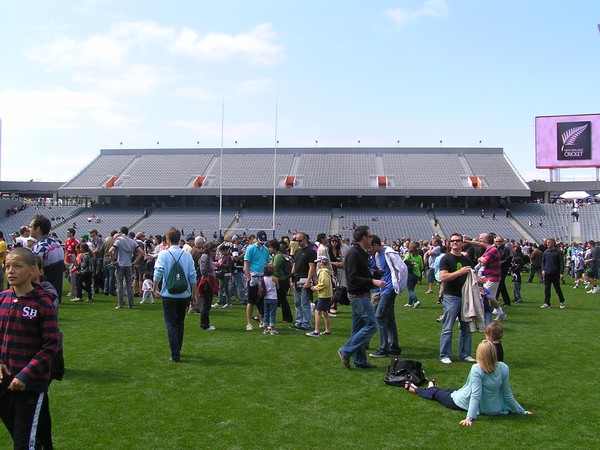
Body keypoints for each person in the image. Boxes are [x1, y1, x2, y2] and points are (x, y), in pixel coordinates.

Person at [0, 247, 60, 448]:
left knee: (24, 443)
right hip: (4, 383)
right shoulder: (2, 299)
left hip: (30, 385)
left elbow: (50, 345)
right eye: (7, 266)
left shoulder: (43, 302)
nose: (10, 271)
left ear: (32, 270)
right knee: (24, 437)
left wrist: (26, 374)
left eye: (17, 266)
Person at [404, 340, 532, 426]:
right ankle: (431, 387)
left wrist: (469, 418)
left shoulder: (477, 369)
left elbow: (476, 395)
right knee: (450, 390)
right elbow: (507, 394)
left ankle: (417, 389)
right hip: (490, 405)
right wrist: (521, 411)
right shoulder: (503, 367)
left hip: (465, 402)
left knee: (439, 394)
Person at [338, 226, 385, 370]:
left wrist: (373, 274)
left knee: (357, 329)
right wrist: (373, 281)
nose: (372, 238)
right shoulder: (354, 254)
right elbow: (353, 278)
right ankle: (346, 350)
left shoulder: (360, 253)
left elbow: (360, 274)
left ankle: (360, 361)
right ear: (364, 238)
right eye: (370, 236)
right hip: (358, 296)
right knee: (371, 326)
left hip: (360, 294)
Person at [153, 227, 198, 362]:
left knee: (171, 324)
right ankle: (178, 349)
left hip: (169, 294)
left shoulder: (164, 254)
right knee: (180, 323)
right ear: (179, 239)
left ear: (167, 239)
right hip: (184, 294)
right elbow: (192, 276)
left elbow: (158, 272)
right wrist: (194, 294)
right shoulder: (186, 255)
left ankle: (175, 354)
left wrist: (154, 288)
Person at [439, 233, 476, 364]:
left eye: (457, 241)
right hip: (451, 296)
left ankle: (465, 353)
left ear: (462, 243)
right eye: (452, 241)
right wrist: (459, 272)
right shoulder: (446, 259)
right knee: (448, 327)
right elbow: (443, 277)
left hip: (465, 297)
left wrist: (480, 282)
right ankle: (444, 354)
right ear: (449, 243)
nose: (455, 243)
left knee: (466, 327)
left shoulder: (466, 260)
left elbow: (472, 276)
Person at [369, 235, 406, 358]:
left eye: (370, 247)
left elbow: (402, 268)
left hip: (389, 289)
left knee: (379, 316)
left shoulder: (389, 253)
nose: (369, 249)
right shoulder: (378, 255)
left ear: (375, 245)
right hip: (384, 289)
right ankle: (394, 346)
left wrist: (398, 285)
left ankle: (383, 348)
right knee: (389, 318)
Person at [29, 214, 65, 304]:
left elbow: (33, 273)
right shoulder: (56, 243)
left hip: (43, 296)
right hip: (55, 293)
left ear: (37, 229)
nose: (29, 229)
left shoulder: (40, 247)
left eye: (30, 227)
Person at [109, 226, 144, 309]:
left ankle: (120, 304)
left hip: (120, 264)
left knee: (120, 286)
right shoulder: (132, 241)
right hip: (129, 265)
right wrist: (135, 262)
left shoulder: (118, 241)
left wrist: (113, 260)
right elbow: (141, 252)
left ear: (121, 232)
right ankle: (131, 305)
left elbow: (110, 250)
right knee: (129, 285)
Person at [243, 231, 270, 331]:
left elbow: (267, 263)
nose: (262, 243)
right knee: (251, 301)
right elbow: (246, 264)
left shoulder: (266, 249)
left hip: (263, 277)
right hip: (253, 277)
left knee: (262, 301)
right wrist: (249, 277)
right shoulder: (250, 248)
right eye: (261, 241)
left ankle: (262, 320)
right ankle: (249, 323)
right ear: (256, 238)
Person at [290, 231, 316, 331]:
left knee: (304, 302)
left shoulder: (310, 252)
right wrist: (291, 279)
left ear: (305, 239)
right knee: (297, 302)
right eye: (297, 241)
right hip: (296, 278)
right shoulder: (297, 251)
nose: (298, 242)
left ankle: (306, 323)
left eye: (300, 240)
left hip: (304, 278)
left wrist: (308, 281)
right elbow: (294, 265)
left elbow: (311, 267)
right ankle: (299, 321)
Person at [306, 256, 333, 337]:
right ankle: (327, 330)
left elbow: (324, 283)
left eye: (318, 262)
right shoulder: (325, 272)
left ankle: (316, 331)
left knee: (317, 312)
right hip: (326, 295)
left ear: (321, 263)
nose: (317, 263)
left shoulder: (323, 273)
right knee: (325, 312)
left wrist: (316, 287)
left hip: (324, 296)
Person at [540, 238, 566, 309]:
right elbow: (543, 262)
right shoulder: (545, 252)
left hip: (555, 273)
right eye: (547, 243)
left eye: (549, 242)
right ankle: (547, 303)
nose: (547, 244)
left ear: (553, 243)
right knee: (546, 288)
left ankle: (562, 301)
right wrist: (543, 270)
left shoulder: (558, 252)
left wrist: (561, 273)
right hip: (547, 273)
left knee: (557, 288)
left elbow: (561, 263)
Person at [197, 243, 217, 331]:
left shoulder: (207, 257)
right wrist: (208, 279)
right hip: (207, 282)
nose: (215, 253)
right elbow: (203, 269)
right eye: (213, 251)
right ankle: (204, 324)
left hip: (209, 281)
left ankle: (205, 323)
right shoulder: (205, 257)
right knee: (206, 304)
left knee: (207, 304)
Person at [262, 263, 279, 335]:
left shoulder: (263, 278)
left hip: (266, 297)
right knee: (272, 313)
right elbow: (277, 287)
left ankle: (265, 329)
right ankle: (272, 329)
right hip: (273, 298)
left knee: (266, 313)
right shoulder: (275, 279)